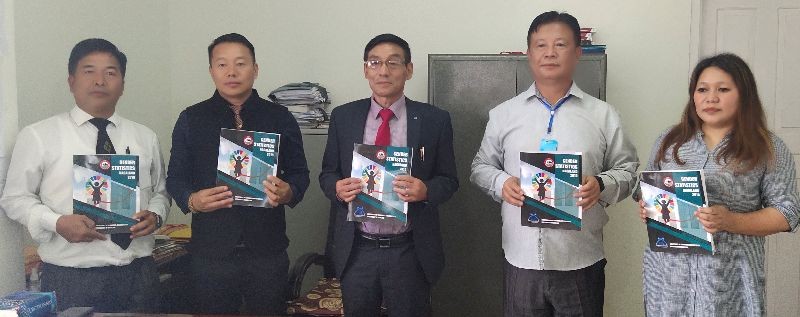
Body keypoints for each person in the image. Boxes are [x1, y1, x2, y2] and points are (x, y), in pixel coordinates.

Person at [470, 11, 639, 316]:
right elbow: (480, 167)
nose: (549, 53)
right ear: (529, 54)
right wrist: (501, 183)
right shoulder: (503, 115)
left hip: (580, 260)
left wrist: (600, 185)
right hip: (520, 259)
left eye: (560, 44)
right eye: (540, 45)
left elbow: (628, 171)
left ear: (577, 53)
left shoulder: (603, 115)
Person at [0, 38, 170, 312]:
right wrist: (56, 222)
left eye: (110, 73)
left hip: (139, 273)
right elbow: (14, 198)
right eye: (89, 71)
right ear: (71, 81)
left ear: (123, 85)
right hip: (72, 277)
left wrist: (156, 215)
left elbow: (161, 192)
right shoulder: (38, 135)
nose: (100, 80)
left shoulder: (144, 136)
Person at [636, 53, 799, 316]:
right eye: (702, 90)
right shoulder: (669, 141)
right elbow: (645, 192)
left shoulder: (767, 147)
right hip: (668, 280)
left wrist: (729, 221)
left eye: (723, 89)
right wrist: (647, 209)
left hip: (730, 281)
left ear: (744, 95)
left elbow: (787, 213)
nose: (711, 98)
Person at [165, 33, 309, 315]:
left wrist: (288, 191)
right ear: (211, 71)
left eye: (240, 64)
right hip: (211, 252)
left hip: (267, 251)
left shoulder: (280, 117)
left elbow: (300, 173)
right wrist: (192, 200)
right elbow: (175, 178)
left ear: (255, 69)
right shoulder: (191, 118)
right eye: (222, 65)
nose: (231, 72)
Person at [319, 33, 458, 317]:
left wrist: (426, 190)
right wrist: (337, 188)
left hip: (409, 249)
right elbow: (327, 173)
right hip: (357, 248)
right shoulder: (343, 117)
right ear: (365, 69)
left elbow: (449, 180)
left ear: (408, 69)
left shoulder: (434, 119)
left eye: (393, 63)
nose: (383, 71)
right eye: (375, 62)